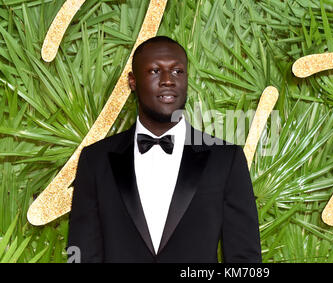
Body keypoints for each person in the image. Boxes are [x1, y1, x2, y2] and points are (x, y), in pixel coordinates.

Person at [67, 36, 262, 263]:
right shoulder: (96, 160)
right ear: (132, 81)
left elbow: (245, 258)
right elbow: (81, 252)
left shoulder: (226, 160)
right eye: (154, 71)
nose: (168, 80)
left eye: (178, 71)